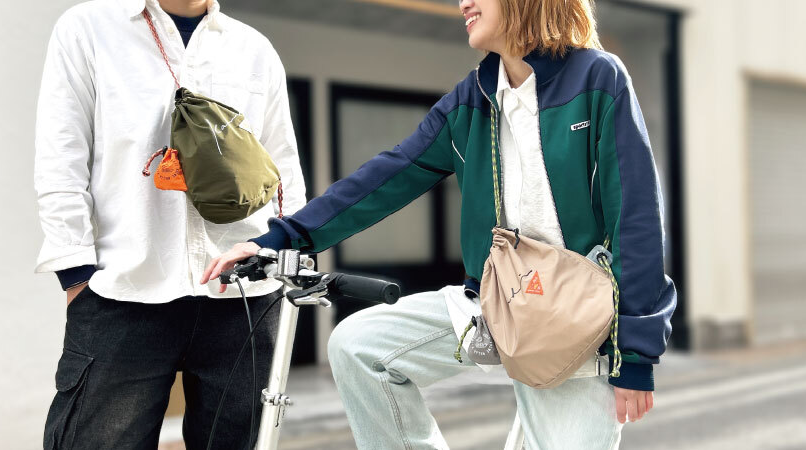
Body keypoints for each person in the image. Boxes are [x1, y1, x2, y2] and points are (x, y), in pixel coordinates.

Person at [204, 0, 677, 448]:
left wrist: (635, 354)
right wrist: (281, 238)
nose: (463, 4)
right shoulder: (472, 98)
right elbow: (388, 175)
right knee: (357, 347)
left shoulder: (597, 78)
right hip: (494, 303)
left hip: (576, 320)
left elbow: (635, 217)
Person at [33, 0, 307, 448]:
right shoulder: (88, 29)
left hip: (243, 293)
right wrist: (77, 274)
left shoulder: (254, 49)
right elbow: (61, 158)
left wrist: (284, 263)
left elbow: (284, 170)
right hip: (123, 291)